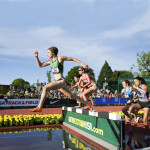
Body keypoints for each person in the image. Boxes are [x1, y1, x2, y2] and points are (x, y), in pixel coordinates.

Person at [29, 46, 92, 112]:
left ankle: (39, 107)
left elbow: (72, 59)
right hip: (59, 84)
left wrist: (82, 63)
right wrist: (36, 57)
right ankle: (87, 104)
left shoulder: (60, 58)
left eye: (48, 52)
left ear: (53, 53)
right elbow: (40, 65)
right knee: (71, 96)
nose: (47, 54)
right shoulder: (50, 62)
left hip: (61, 81)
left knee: (45, 88)